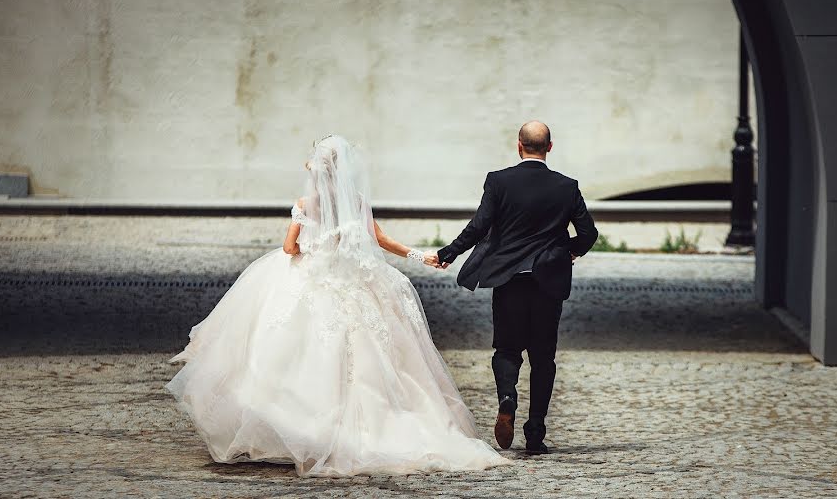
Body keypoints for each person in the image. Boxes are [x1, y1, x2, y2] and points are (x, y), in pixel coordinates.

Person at [165, 135, 509, 477]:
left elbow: (288, 248)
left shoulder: (306, 202)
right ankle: (371, 427)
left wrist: (312, 248)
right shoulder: (356, 201)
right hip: (352, 282)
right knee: (370, 357)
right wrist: (423, 256)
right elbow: (382, 240)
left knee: (282, 352)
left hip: (315, 277)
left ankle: (291, 431)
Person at [429, 121, 598, 455]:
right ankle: (535, 432)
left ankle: (507, 397)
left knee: (506, 349)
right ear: (549, 147)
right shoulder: (567, 186)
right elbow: (589, 233)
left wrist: (448, 253)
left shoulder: (499, 181)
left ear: (518, 146)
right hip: (548, 282)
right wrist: (566, 252)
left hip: (508, 279)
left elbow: (479, 226)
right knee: (543, 357)